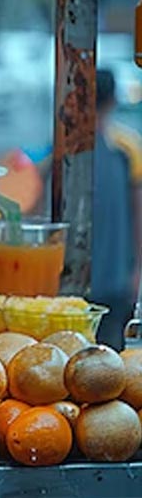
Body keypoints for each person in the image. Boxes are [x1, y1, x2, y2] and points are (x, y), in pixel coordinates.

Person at [91, 69, 139, 349]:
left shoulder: (62, 146)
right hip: (116, 276)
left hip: (95, 277)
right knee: (110, 359)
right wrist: (136, 272)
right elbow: (139, 216)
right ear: (112, 101)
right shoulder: (128, 146)